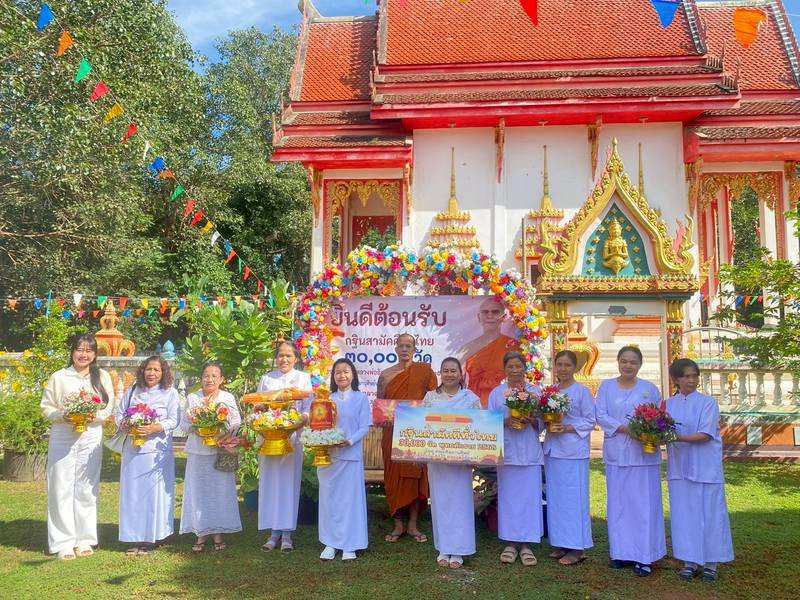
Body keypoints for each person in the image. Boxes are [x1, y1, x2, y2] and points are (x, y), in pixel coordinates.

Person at [40, 334, 115, 560]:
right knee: (60, 486)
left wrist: (93, 416)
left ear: (94, 354)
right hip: (64, 435)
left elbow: (109, 405)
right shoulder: (59, 377)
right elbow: (46, 406)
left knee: (86, 486)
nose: (84, 354)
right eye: (79, 350)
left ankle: (84, 538)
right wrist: (64, 416)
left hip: (91, 435)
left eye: (89, 350)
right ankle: (63, 541)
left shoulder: (101, 376)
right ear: (72, 351)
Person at [596, 345, 665, 576]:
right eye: (624, 361)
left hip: (643, 456)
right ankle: (621, 553)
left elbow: (658, 419)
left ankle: (644, 557)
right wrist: (625, 429)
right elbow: (601, 415)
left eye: (633, 362)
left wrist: (647, 432)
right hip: (617, 454)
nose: (628, 365)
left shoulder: (649, 389)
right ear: (618, 362)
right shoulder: (606, 387)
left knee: (643, 506)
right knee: (618, 504)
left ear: (640, 365)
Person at [666, 358, 734, 582]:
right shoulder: (669, 404)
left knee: (710, 514)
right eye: (686, 376)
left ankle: (712, 563)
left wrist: (676, 437)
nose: (691, 380)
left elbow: (705, 435)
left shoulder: (707, 403)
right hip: (679, 467)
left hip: (706, 467)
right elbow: (661, 430)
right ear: (675, 379)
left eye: (694, 376)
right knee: (684, 514)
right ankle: (689, 560)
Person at [116, 355, 180, 555]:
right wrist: (125, 424)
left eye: (157, 370)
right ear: (143, 370)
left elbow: (174, 420)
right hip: (133, 451)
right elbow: (119, 413)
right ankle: (134, 536)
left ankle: (153, 537)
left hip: (156, 452)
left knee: (153, 494)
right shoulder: (133, 390)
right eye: (149, 369)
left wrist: (155, 427)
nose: (152, 373)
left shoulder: (170, 393)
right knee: (133, 493)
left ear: (163, 373)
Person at [376, 333, 437, 544]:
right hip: (392, 432)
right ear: (395, 349)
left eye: (408, 346)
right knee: (394, 478)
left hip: (416, 432)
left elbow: (433, 401)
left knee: (414, 475)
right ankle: (398, 523)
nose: (404, 349)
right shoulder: (385, 375)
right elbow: (380, 404)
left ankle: (412, 524)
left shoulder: (424, 372)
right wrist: (382, 418)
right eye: (401, 346)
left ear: (415, 349)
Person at [423, 357, 481, 569]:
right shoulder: (430, 397)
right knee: (440, 502)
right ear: (440, 373)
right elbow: (423, 426)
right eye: (445, 370)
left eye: (453, 370)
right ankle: (444, 548)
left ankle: (459, 550)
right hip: (437, 461)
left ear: (460, 374)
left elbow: (479, 428)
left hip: (461, 461)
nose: (449, 374)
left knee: (460, 503)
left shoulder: (470, 398)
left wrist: (474, 456)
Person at [179, 362, 242, 552]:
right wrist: (196, 430)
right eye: (206, 375)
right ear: (201, 378)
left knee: (220, 492)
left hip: (220, 450)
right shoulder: (193, 398)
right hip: (198, 452)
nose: (210, 379)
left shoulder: (227, 397)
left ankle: (218, 532)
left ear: (221, 379)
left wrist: (223, 432)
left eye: (215, 376)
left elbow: (236, 420)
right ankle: (200, 532)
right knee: (198, 492)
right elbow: (183, 424)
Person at [487, 352, 543, 567]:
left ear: (525, 368)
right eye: (510, 366)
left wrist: (533, 420)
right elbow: (489, 422)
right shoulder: (497, 393)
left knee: (529, 497)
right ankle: (510, 543)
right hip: (508, 452)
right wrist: (506, 421)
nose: (515, 370)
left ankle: (527, 544)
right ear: (505, 369)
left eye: (518, 366)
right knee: (509, 497)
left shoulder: (535, 392)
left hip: (529, 450)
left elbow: (544, 423)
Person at [257, 340, 312, 553]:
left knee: (289, 484)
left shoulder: (303, 378)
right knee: (270, 483)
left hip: (292, 439)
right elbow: (259, 406)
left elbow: (308, 408)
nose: (284, 359)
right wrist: (263, 419)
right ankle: (273, 533)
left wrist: (296, 423)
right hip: (269, 439)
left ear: (296, 358)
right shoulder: (267, 379)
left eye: (289, 355)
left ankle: (287, 534)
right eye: (280, 355)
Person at [543, 350, 596, 566]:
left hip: (573, 452)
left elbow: (591, 420)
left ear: (575, 368)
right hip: (553, 450)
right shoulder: (551, 391)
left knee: (574, 499)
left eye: (567, 365)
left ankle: (577, 548)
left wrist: (567, 427)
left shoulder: (581, 392)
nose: (563, 369)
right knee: (557, 498)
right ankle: (562, 542)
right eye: (559, 365)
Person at [318, 358, 371, 561]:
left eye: (346, 371)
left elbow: (364, 427)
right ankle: (330, 543)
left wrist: (349, 442)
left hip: (351, 456)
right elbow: (320, 425)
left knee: (350, 501)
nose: (342, 375)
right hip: (329, 457)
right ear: (333, 376)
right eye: (338, 372)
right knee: (330, 500)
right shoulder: (326, 399)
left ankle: (350, 544)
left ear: (353, 375)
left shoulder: (360, 399)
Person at [458, 297, 520, 408]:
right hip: (474, 406)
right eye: (485, 312)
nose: (489, 315)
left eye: (495, 312)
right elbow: (458, 380)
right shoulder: (468, 348)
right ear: (479, 317)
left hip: (503, 404)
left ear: (504, 317)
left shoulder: (513, 345)